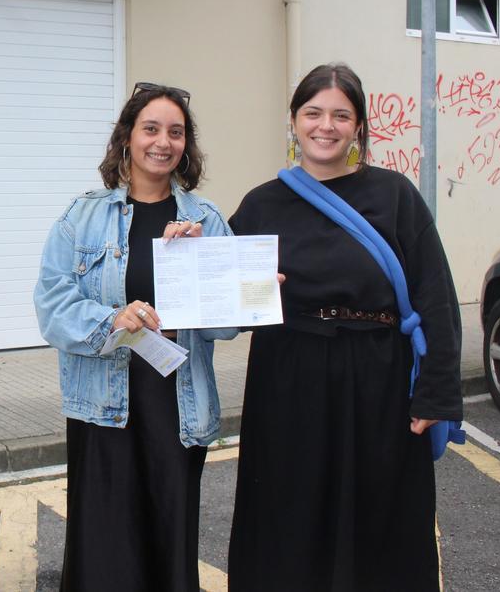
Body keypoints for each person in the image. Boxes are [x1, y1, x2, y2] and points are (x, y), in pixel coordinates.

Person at [226, 63, 463, 590]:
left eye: (340, 115)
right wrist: (187, 244)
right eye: (313, 113)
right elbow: (220, 296)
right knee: (289, 511)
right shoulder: (262, 203)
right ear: (293, 122)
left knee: (381, 514)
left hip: (378, 376)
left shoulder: (395, 196)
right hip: (288, 375)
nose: (325, 126)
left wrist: (436, 394)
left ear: (358, 127)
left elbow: (437, 297)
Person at [34, 83, 236, 590]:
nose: (162, 142)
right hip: (104, 406)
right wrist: (111, 321)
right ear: (127, 138)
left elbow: (227, 323)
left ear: (186, 145)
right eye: (151, 129)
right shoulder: (82, 217)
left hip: (177, 406)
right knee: (104, 546)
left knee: (170, 541)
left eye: (175, 131)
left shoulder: (205, 221)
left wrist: (200, 266)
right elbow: (52, 305)